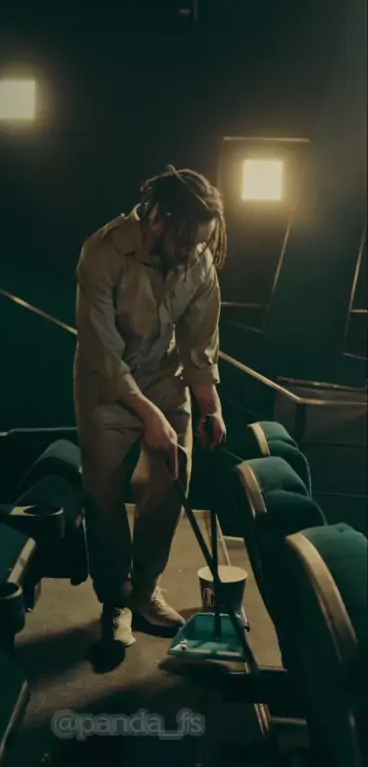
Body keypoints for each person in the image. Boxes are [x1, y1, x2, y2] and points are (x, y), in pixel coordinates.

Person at [74, 164, 227, 647]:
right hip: (107, 383)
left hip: (165, 377)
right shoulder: (102, 254)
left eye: (201, 243)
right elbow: (104, 354)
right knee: (103, 494)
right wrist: (150, 417)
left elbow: (200, 341)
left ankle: (145, 590)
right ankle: (114, 601)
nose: (193, 253)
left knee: (172, 479)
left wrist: (210, 405)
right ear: (157, 219)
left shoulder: (197, 255)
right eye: (187, 243)